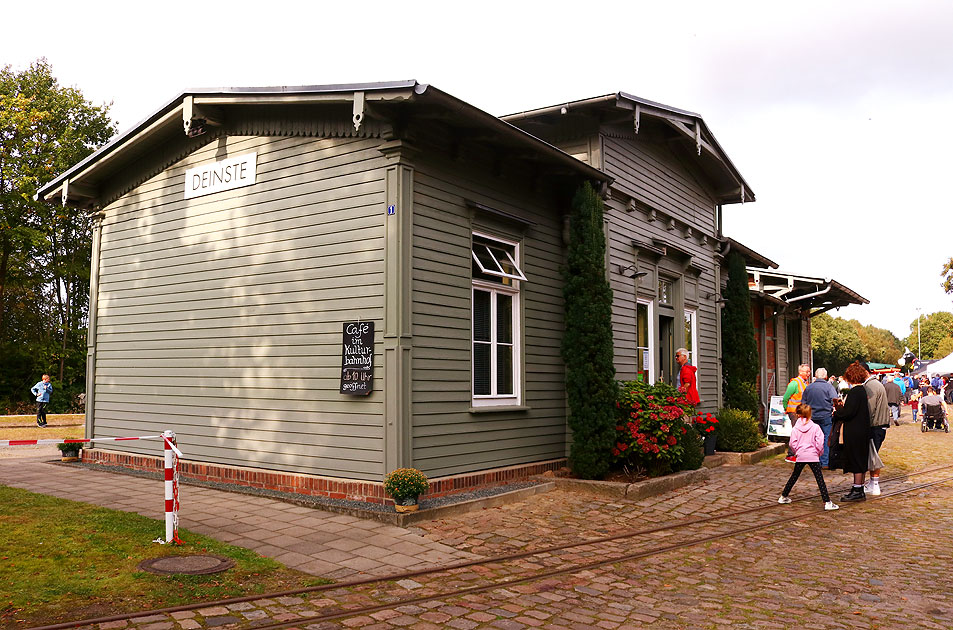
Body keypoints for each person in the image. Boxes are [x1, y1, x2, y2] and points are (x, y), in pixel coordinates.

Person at [778, 403, 838, 510]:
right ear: (810, 414)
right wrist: (818, 453)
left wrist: (798, 451)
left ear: (797, 414)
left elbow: (792, 443)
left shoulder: (796, 428)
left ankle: (783, 496)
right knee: (819, 479)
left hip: (801, 455)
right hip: (813, 456)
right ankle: (827, 502)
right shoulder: (815, 427)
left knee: (794, 476)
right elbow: (820, 443)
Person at [832, 362, 873, 502]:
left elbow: (848, 413)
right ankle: (859, 488)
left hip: (855, 431)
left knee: (856, 460)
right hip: (861, 430)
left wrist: (837, 411)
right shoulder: (862, 391)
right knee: (860, 459)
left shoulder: (855, 392)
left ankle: (857, 489)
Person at [862, 362, 890, 496]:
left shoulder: (870, 386)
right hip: (881, 424)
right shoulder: (876, 384)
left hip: (875, 425)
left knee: (872, 456)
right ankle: (873, 483)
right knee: (873, 454)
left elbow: (869, 409)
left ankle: (874, 485)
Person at [801, 367, 838, 468]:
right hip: (825, 416)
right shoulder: (829, 387)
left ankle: (814, 461)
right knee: (826, 439)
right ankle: (824, 462)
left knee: (813, 439)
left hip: (812, 417)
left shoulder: (809, 387)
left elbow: (803, 402)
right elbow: (835, 400)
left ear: (816, 376)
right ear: (826, 376)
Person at [782, 364, 811, 462]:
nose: (808, 374)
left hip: (800, 413)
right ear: (801, 372)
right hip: (794, 413)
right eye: (807, 372)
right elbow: (786, 398)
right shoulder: (794, 383)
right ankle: (790, 455)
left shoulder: (804, 383)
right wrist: (787, 409)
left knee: (800, 433)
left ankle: (798, 454)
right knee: (796, 433)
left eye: (809, 371)